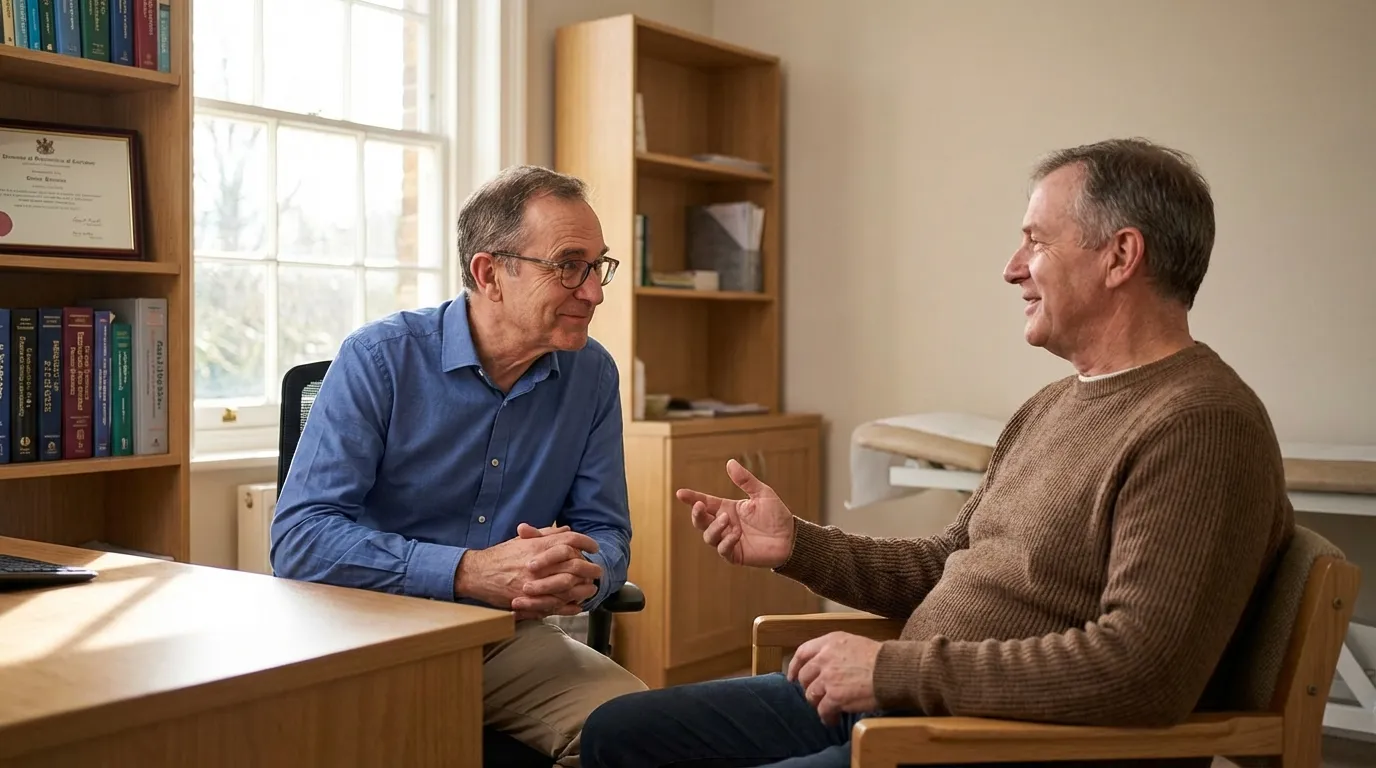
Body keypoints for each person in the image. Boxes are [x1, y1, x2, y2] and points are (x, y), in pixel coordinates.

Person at [579, 138, 1295, 768]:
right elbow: (947, 562)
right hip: (910, 710)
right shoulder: (1053, 405)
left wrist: (895, 670)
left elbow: (1143, 671)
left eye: (1037, 242)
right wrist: (799, 544)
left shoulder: (1201, 425)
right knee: (615, 733)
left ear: (1120, 256)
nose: (1012, 268)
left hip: (996, 742)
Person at [271, 164, 648, 766]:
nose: (595, 291)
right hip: (367, 636)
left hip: (501, 641)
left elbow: (606, 529)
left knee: (644, 736)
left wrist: (588, 574)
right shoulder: (379, 359)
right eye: (568, 265)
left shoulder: (592, 374)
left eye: (598, 266)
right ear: (490, 272)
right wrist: (466, 571)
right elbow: (300, 539)